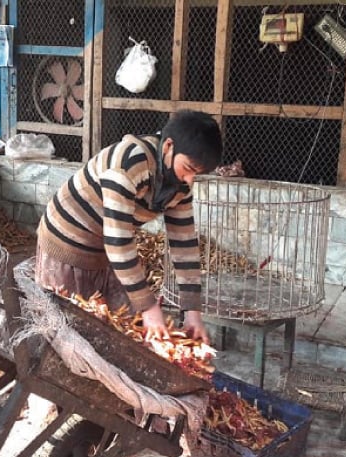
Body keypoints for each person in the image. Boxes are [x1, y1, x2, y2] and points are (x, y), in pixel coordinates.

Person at [35, 109, 222, 343]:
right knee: (67, 334)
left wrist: (192, 312)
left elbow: (184, 245)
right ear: (169, 146)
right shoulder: (128, 164)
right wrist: (148, 306)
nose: (190, 179)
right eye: (189, 168)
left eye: (198, 174)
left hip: (106, 248)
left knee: (120, 331)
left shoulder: (179, 184)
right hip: (67, 241)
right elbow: (118, 242)